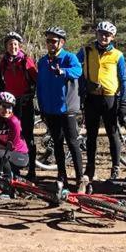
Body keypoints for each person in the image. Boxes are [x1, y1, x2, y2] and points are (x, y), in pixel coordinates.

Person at [78, 20, 126, 181]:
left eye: (107, 35)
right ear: (97, 34)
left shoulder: (117, 55)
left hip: (110, 98)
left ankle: (115, 167)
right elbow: (72, 63)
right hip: (91, 97)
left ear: (113, 37)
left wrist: (122, 103)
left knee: (112, 133)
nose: (104, 37)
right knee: (91, 135)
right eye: (101, 33)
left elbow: (123, 79)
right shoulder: (86, 50)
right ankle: (90, 168)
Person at [37, 26, 85, 192]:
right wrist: (41, 107)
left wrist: (63, 71)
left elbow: (78, 71)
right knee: (57, 144)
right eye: (48, 40)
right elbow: (40, 86)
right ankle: (61, 176)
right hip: (50, 110)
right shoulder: (42, 62)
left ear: (61, 42)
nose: (50, 43)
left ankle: (80, 178)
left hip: (67, 109)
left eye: (53, 41)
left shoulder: (69, 57)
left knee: (72, 143)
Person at [0, 31, 38, 178]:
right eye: (10, 44)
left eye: (15, 44)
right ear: (6, 46)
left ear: (19, 45)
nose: (13, 47)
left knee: (28, 135)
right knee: (13, 134)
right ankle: (15, 169)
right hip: (10, 104)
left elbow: (36, 78)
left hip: (25, 102)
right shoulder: (4, 62)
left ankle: (32, 169)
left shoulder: (25, 60)